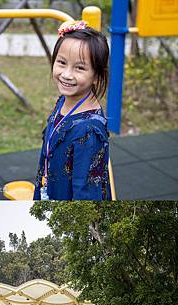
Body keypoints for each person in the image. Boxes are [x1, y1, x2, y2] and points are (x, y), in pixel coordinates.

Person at [34, 20, 111, 200]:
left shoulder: (89, 130)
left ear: (97, 76)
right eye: (62, 62)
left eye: (80, 67)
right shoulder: (64, 100)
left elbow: (86, 192)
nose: (67, 74)